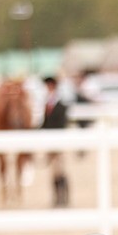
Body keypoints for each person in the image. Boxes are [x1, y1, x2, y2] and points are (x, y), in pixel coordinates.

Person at [40, 76, 70, 207]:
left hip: (58, 143)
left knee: (59, 170)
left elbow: (62, 124)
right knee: (53, 171)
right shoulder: (46, 105)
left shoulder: (61, 106)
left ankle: (63, 197)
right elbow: (44, 124)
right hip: (49, 143)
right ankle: (56, 198)